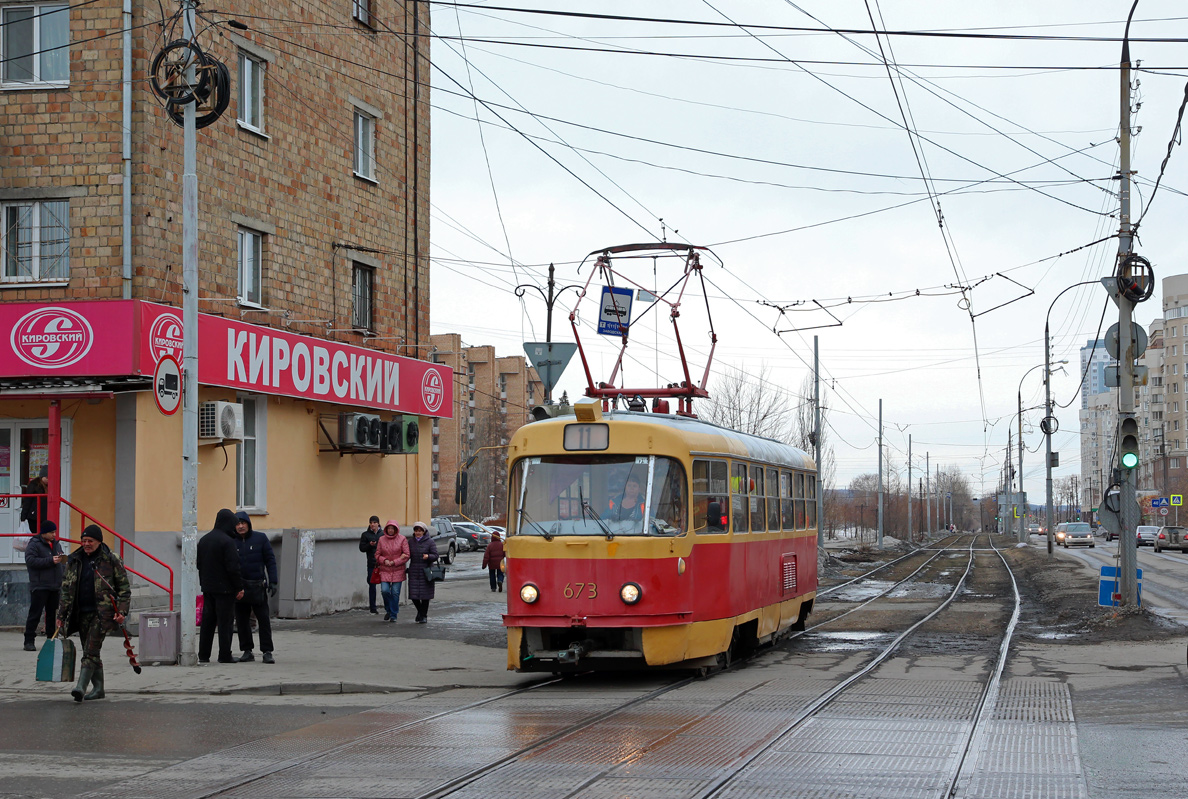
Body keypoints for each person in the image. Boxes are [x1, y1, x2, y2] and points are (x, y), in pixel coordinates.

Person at [57, 525, 131, 702]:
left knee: (90, 651)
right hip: (81, 613)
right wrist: (61, 616)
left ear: (99, 541)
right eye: (83, 541)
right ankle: (99, 689)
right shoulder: (74, 560)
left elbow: (124, 589)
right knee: (91, 651)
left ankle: (80, 687)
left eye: (90, 541)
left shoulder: (111, 559)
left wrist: (121, 611)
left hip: (102, 614)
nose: (86, 544)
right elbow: (66, 590)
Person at [197, 508, 244, 664]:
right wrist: (239, 587)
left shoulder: (204, 540)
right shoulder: (227, 542)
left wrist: (204, 583)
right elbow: (233, 568)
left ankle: (203, 654)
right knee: (225, 623)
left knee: (207, 622)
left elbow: (198, 564)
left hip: (208, 587)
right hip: (225, 589)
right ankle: (224, 655)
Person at [232, 511, 278, 663]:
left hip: (258, 585)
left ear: (248, 524)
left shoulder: (260, 538)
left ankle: (267, 651)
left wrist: (273, 581)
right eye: (237, 524)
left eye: (243, 523)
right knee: (242, 621)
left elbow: (270, 560)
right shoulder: (231, 541)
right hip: (240, 588)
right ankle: (247, 651)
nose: (240, 526)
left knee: (263, 619)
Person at [23, 520, 66, 651]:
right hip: (40, 585)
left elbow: (60, 561)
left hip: (54, 585)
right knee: (35, 614)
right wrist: (50, 560)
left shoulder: (56, 544)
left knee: (52, 614)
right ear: (44, 533)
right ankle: (29, 640)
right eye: (51, 532)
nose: (54, 535)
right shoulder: (34, 544)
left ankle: (51, 640)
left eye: (55, 532)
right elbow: (30, 561)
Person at [374, 520, 410, 622]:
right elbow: (377, 554)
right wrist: (384, 560)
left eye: (392, 529)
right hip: (385, 569)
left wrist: (395, 562)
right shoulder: (381, 539)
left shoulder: (402, 539)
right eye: (389, 528)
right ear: (386, 529)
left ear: (396, 529)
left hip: (398, 569)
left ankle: (394, 614)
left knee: (395, 592)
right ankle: (388, 609)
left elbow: (406, 554)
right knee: (385, 591)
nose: (390, 530)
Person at [406, 521, 439, 623]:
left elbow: (436, 555)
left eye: (420, 531)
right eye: (416, 531)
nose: (418, 533)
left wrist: (428, 556)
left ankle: (423, 615)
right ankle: (420, 611)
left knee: (425, 596)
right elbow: (406, 554)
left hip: (426, 571)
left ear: (424, 531)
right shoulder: (411, 542)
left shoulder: (430, 542)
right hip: (414, 570)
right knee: (414, 595)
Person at [359, 515, 382, 614]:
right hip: (372, 563)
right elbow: (362, 548)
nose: (372, 524)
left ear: (378, 524)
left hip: (383, 563)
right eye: (371, 523)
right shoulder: (365, 535)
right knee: (372, 584)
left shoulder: (383, 534)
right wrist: (369, 545)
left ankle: (388, 607)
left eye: (374, 522)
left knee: (385, 585)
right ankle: (373, 607)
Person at [20, 469, 48, 534]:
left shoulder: (48, 486)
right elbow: (27, 501)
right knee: (36, 535)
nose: (48, 480)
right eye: (46, 477)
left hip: (43, 516)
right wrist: (23, 517)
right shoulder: (33, 485)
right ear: (41, 477)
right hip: (34, 517)